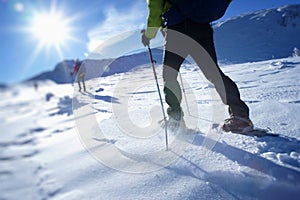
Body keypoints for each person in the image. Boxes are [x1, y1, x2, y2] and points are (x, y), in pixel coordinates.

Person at [141, 0, 253, 132]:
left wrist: (149, 34)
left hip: (178, 29)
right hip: (202, 28)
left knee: (169, 75)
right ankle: (240, 117)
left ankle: (175, 120)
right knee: (213, 73)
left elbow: (155, 10)